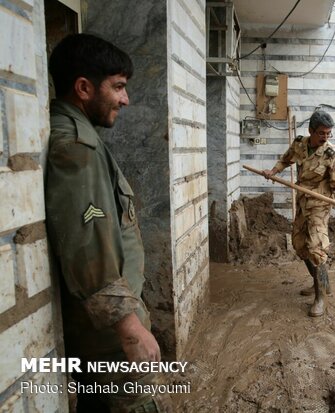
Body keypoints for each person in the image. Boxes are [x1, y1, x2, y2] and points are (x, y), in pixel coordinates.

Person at [45, 34, 171, 412]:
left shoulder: (84, 140)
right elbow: (89, 249)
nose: (125, 99)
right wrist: (131, 330)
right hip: (110, 343)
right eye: (117, 87)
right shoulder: (76, 151)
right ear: (84, 88)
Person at [262, 110, 335, 317]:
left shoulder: (331, 154)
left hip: (320, 204)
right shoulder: (300, 143)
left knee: (316, 249)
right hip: (303, 201)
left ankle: (320, 298)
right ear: (311, 130)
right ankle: (319, 282)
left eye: (329, 133)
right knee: (299, 245)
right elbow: (286, 160)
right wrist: (273, 172)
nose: (326, 137)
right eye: (322, 133)